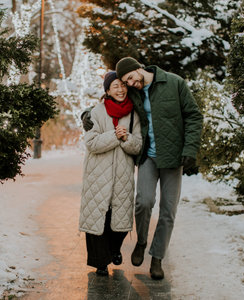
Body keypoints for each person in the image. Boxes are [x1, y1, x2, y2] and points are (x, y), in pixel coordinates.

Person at [82, 57, 203, 280]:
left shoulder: (174, 83)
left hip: (174, 157)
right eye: (126, 81)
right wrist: (87, 114)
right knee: (143, 201)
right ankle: (141, 241)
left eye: (130, 78)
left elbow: (193, 116)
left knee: (168, 211)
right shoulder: (133, 91)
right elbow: (112, 100)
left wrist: (190, 149)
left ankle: (157, 258)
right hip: (148, 156)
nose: (129, 84)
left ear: (139, 69)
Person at [79, 71, 142, 276]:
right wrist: (115, 136)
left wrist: (127, 139)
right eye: (115, 86)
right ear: (107, 90)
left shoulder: (134, 114)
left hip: (123, 175)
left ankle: (114, 249)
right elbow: (91, 143)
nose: (120, 89)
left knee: (121, 219)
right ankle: (100, 262)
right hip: (98, 173)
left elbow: (138, 146)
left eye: (123, 85)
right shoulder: (96, 112)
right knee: (99, 217)